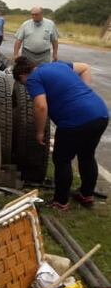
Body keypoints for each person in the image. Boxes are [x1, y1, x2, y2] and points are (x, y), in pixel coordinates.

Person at [12, 56, 108, 210]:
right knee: (87, 155)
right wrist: (82, 93)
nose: (26, 87)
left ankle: (61, 202)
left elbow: (40, 106)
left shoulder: (33, 79)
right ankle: (86, 195)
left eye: (22, 83)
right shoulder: (58, 65)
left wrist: (39, 132)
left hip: (75, 121)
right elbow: (84, 67)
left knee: (62, 159)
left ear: (22, 76)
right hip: (100, 113)